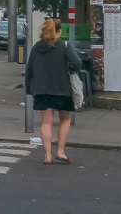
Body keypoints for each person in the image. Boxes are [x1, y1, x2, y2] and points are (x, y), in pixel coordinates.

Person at [25, 17, 81, 164]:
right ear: (58, 31)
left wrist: (29, 89)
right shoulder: (64, 46)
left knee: (46, 123)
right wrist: (70, 68)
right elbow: (77, 62)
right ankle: (60, 151)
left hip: (42, 90)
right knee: (65, 120)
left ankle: (48, 155)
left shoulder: (36, 47)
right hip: (62, 89)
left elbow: (29, 69)